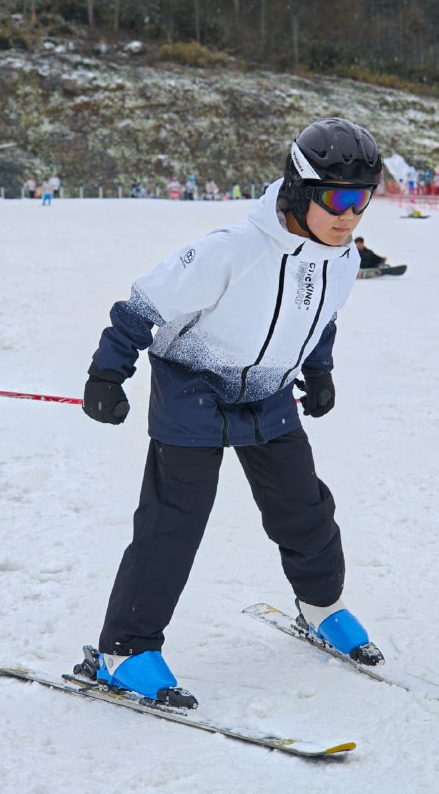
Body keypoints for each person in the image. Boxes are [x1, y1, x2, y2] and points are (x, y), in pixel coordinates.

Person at [82, 117, 385, 707]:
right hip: (193, 389)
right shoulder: (234, 249)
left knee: (304, 507)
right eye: (337, 198)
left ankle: (321, 605)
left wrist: (319, 371)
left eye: (362, 199)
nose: (350, 215)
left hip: (268, 392)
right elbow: (142, 305)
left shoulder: (342, 257)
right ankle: (124, 651)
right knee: (174, 522)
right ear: (300, 189)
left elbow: (321, 318)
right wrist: (107, 373)